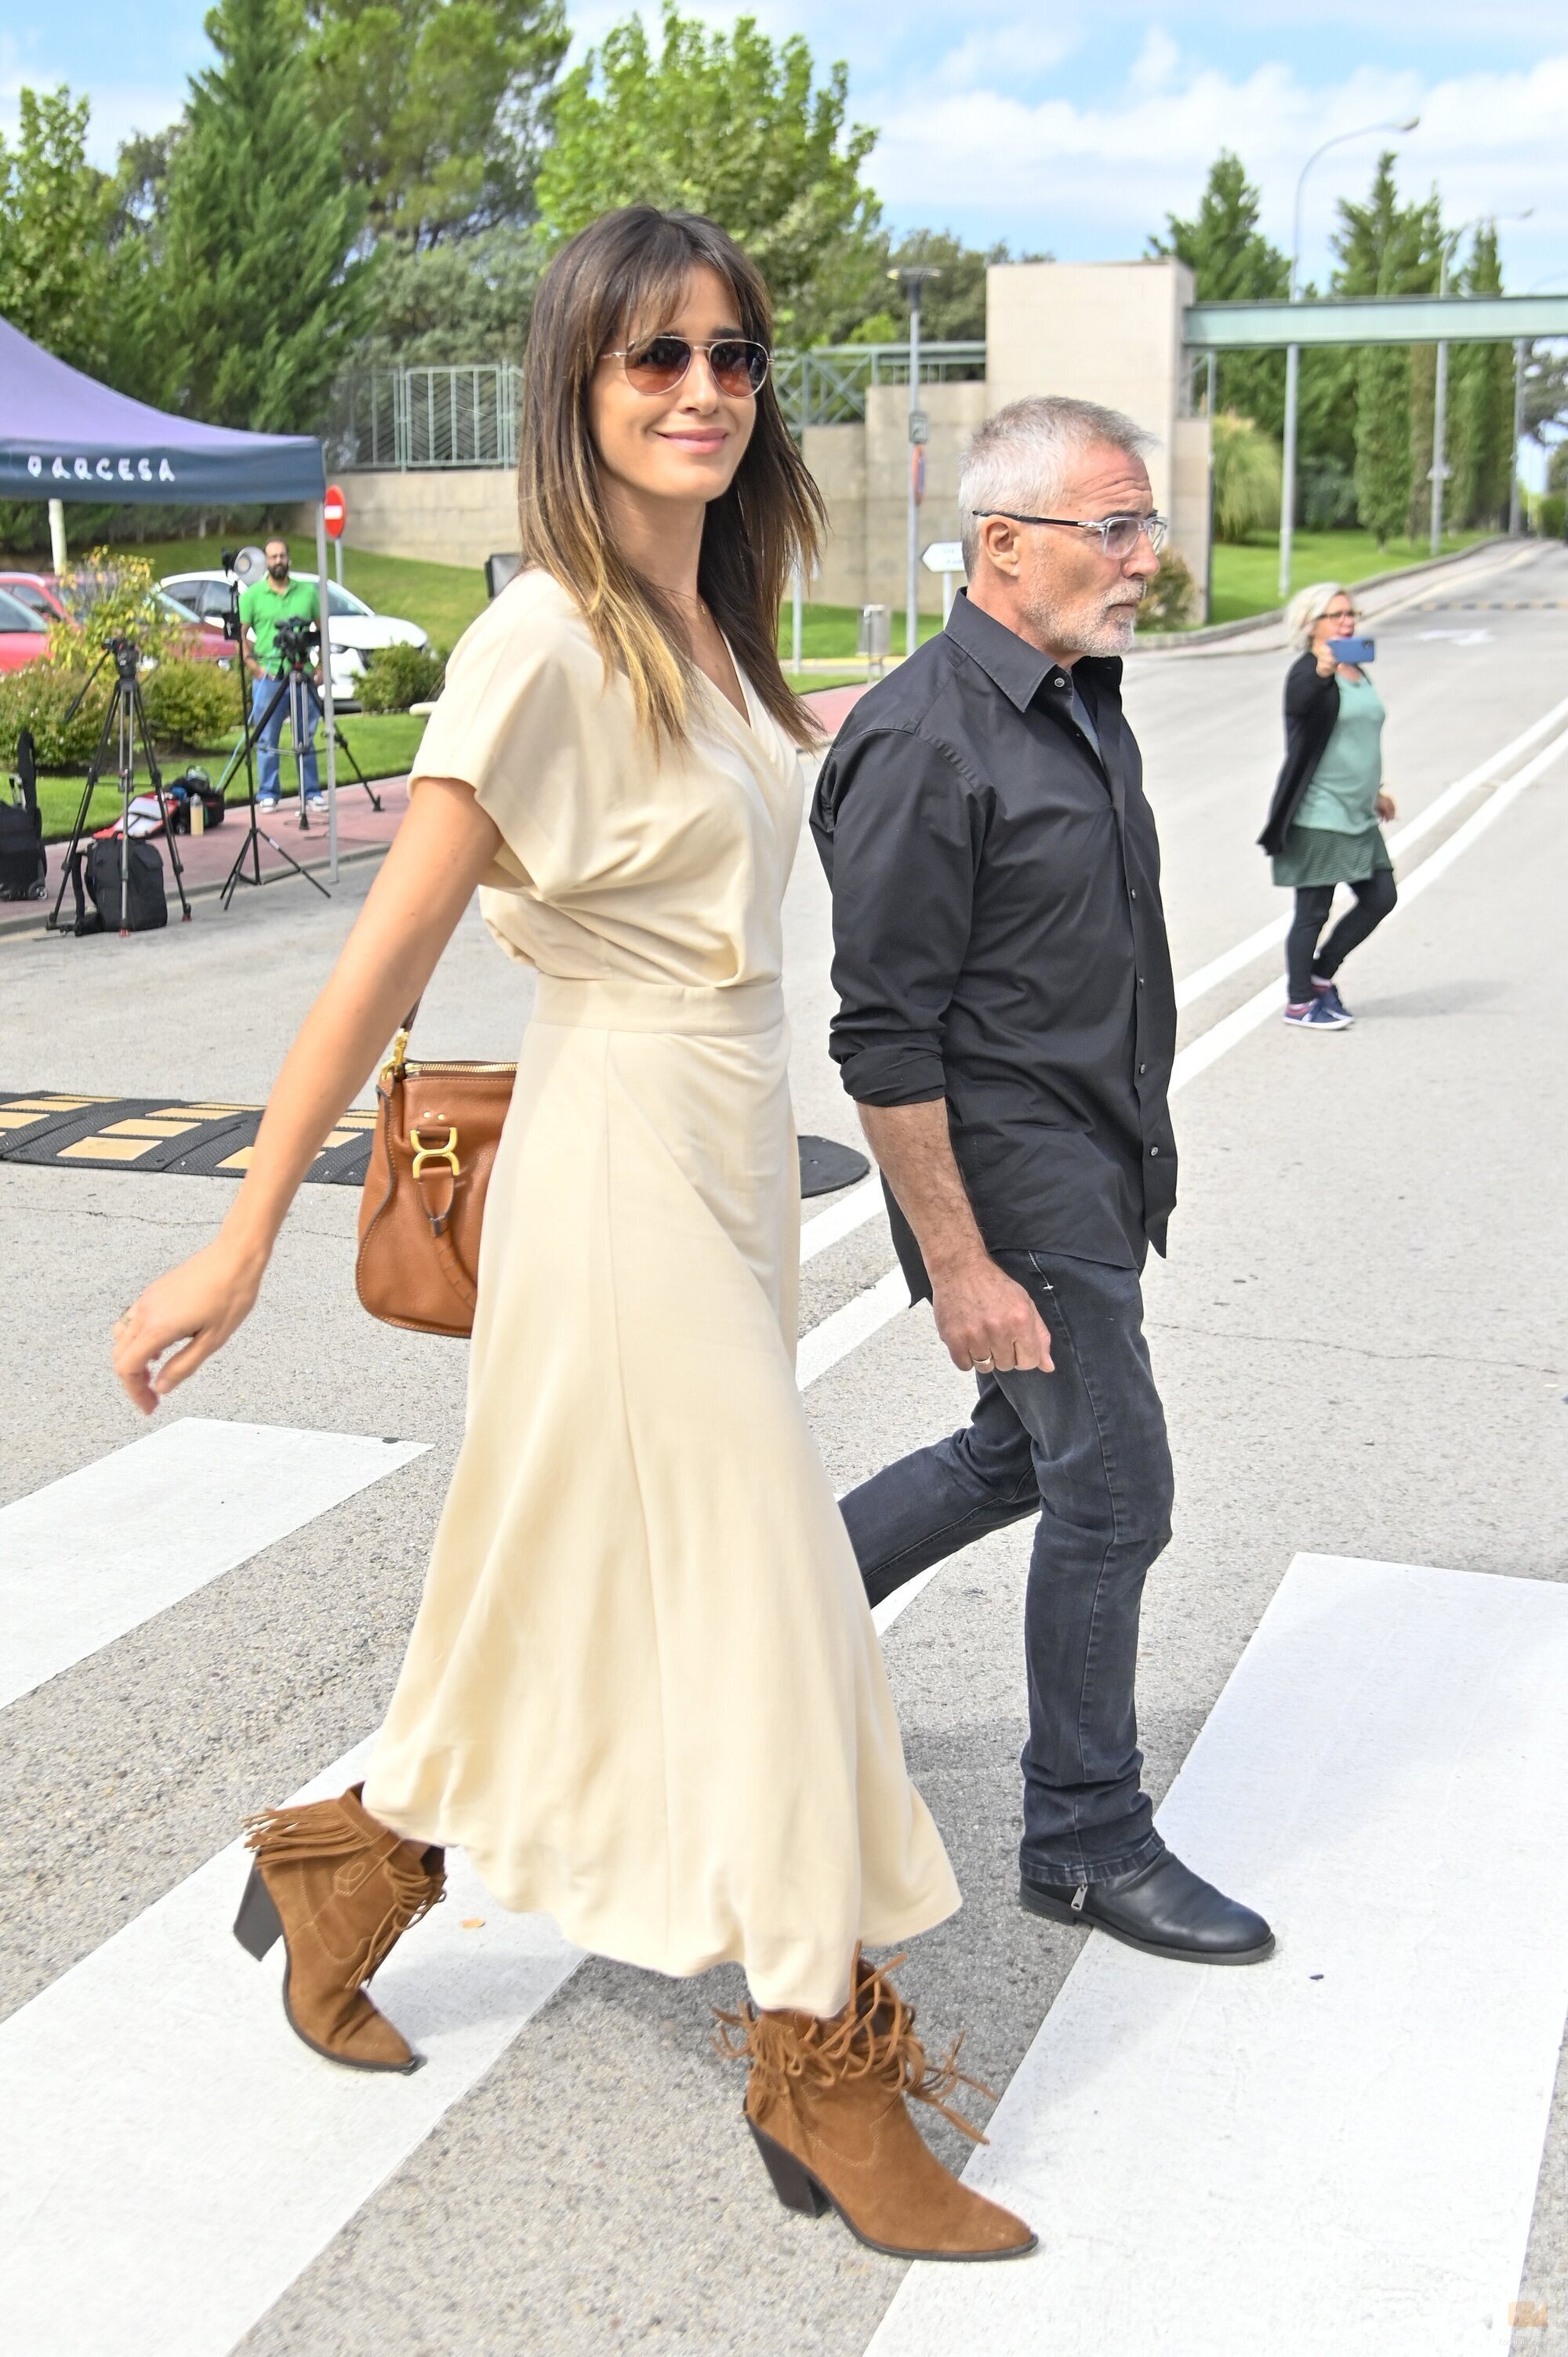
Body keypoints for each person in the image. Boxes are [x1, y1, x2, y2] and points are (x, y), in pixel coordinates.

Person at [110, 206, 1033, 2267]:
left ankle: (359, 1861)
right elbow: (378, 963)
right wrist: (243, 1236)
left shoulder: (718, 622)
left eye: (730, 354)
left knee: (560, 1564)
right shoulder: (542, 638)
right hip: (614, 1165)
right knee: (781, 1605)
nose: (704, 389)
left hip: (716, 1156)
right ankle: (821, 2057)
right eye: (657, 359)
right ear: (581, 387)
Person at [811, 395, 1273, 1968]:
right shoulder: (921, 742)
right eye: (1114, 529)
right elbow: (881, 1041)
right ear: (999, 547)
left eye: (1142, 527)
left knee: (1020, 1457)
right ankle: (1084, 1834)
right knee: (1116, 1493)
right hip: (1010, 1190)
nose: (1146, 559)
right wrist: (961, 1260)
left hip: (1085, 1162)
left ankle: (767, 1624)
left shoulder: (1074, 697)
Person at [1259, 582, 1398, 1030]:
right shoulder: (1307, 673)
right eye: (1336, 615)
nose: (1347, 621)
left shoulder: (1356, 666)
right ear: (1310, 624)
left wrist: (1374, 791)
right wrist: (1321, 671)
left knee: (1381, 897)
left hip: (1357, 812)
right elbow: (1301, 708)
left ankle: (1320, 976)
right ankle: (1299, 1002)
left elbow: (1355, 737)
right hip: (1319, 812)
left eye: (1350, 613)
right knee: (1313, 912)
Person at [239, 537, 327, 814]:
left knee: (306, 737)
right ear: (266, 561)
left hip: (302, 674)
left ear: (289, 558)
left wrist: (322, 665)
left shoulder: (307, 592)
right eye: (273, 557)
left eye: (282, 556)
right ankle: (268, 793)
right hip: (270, 677)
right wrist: (252, 665)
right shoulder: (252, 596)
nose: (278, 561)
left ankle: (311, 792)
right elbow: (240, 636)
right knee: (267, 738)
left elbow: (321, 629)